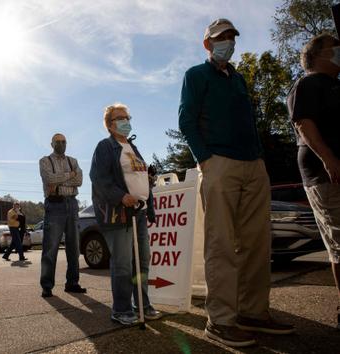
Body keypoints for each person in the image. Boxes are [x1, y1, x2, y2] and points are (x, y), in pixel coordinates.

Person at [178, 18, 295, 347]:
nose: (227, 42)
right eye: (220, 38)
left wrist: (258, 156)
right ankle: (222, 321)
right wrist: (206, 159)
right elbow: (186, 120)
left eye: (231, 37)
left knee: (258, 244)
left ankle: (253, 312)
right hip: (219, 164)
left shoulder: (239, 79)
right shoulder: (196, 75)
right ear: (207, 43)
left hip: (253, 166)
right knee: (222, 244)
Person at [89, 103, 162, 326]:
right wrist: (121, 196)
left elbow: (141, 179)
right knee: (123, 263)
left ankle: (142, 304)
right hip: (119, 213)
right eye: (119, 118)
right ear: (110, 126)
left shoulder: (132, 147)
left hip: (138, 212)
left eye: (127, 117)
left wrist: (149, 207)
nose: (125, 121)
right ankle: (121, 310)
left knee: (142, 260)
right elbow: (99, 179)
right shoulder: (104, 147)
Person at [287, 33, 340, 330]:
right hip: (327, 175)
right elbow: (303, 122)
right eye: (335, 48)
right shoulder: (307, 83)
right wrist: (328, 158)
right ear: (318, 54)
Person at [39, 133, 85, 298]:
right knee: (50, 248)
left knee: (74, 247)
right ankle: (47, 286)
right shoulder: (44, 161)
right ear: (52, 144)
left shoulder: (73, 161)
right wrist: (69, 175)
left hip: (72, 204)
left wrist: (59, 181)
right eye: (57, 141)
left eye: (64, 141)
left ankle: (72, 283)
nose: (61, 144)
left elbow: (79, 180)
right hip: (55, 204)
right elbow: (49, 179)